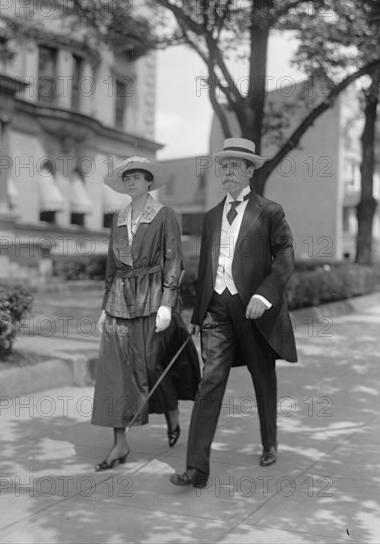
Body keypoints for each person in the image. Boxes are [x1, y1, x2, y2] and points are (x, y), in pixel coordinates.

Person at [170, 138, 298, 488]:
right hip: (216, 310)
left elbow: (285, 256)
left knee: (262, 377)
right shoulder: (211, 217)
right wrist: (197, 317)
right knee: (210, 381)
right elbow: (207, 269)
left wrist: (267, 295)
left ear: (249, 170)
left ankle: (269, 441)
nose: (226, 172)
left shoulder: (270, 211)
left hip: (254, 309)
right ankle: (196, 468)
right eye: (223, 166)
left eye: (233, 166)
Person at [91, 156, 200, 471]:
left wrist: (167, 302)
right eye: (127, 178)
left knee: (152, 366)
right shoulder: (118, 218)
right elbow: (112, 267)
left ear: (149, 181)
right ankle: (119, 443)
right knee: (115, 373)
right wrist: (103, 308)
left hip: (153, 299)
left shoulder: (165, 215)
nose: (132, 181)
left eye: (138, 176)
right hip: (118, 302)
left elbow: (174, 261)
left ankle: (171, 413)